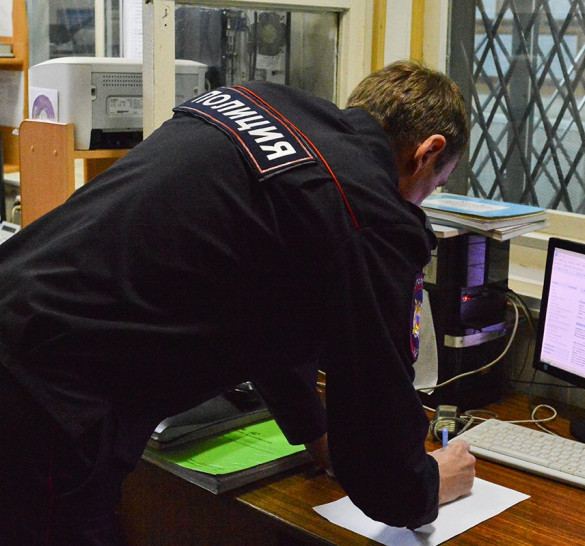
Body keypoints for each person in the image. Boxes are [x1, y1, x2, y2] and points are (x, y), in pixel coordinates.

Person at [0, 60, 476, 544]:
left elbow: (269, 304)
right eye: (434, 186)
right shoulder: (369, 213)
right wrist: (432, 483)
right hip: (47, 399)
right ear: (427, 152)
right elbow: (381, 460)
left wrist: (317, 436)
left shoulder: (260, 101)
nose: (422, 202)